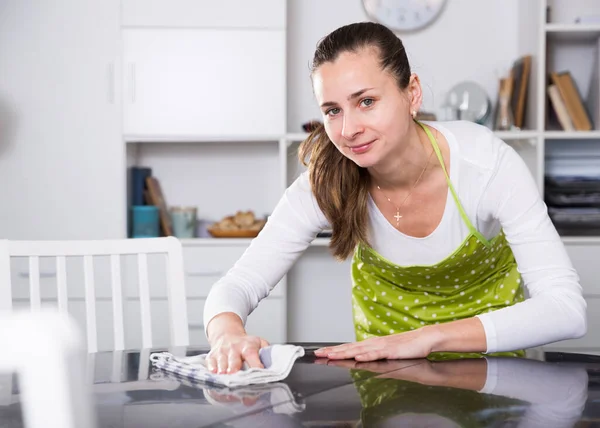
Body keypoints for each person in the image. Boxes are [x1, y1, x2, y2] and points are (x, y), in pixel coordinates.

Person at [202, 22, 586, 374]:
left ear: (411, 92)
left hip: (493, 371)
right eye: (333, 110)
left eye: (366, 101)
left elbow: (566, 309)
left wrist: (428, 337)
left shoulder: (485, 164)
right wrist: (226, 333)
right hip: (385, 376)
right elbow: (239, 283)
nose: (349, 129)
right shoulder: (327, 181)